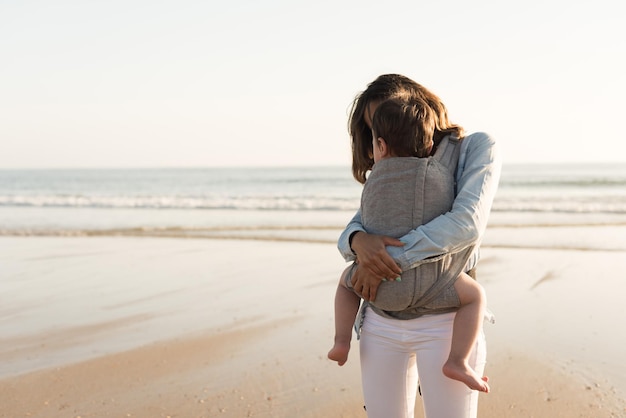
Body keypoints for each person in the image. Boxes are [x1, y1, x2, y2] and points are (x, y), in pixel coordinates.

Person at [336, 74, 502, 418]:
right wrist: (359, 241)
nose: (385, 130)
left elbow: (467, 223)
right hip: (381, 319)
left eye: (388, 115)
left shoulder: (473, 147)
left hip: (445, 320)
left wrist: (382, 259)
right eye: (375, 127)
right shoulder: (388, 162)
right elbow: (361, 222)